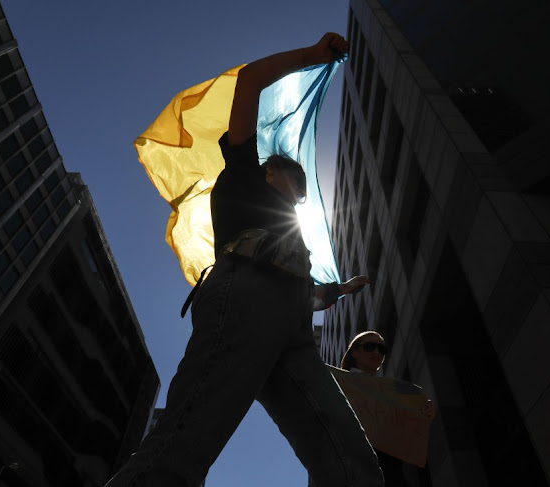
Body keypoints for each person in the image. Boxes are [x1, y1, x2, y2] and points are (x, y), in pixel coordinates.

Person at [104, 33, 384, 487]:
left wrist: (340, 290)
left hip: (290, 327)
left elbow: (303, 292)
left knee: (352, 463)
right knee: (182, 447)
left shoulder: (291, 229)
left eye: (303, 191)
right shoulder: (241, 169)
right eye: (294, 181)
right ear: (270, 170)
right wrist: (310, 57)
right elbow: (251, 81)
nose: (299, 194)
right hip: (243, 296)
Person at [341, 331, 435, 487]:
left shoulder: (394, 392)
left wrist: (423, 415)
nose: (377, 353)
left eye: (382, 349)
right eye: (370, 347)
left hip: (392, 475)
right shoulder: (338, 385)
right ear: (355, 352)